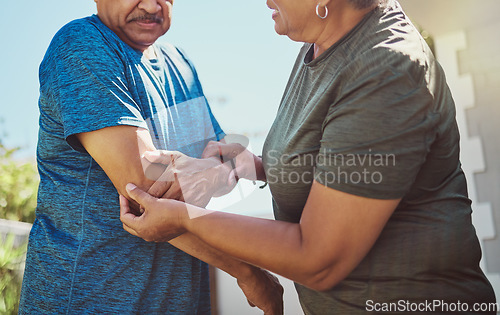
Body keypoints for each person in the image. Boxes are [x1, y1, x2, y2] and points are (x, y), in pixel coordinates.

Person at [119, 0, 498, 314]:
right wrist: (250, 164)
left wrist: (186, 220)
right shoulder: (319, 45)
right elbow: (338, 163)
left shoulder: (386, 69)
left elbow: (321, 260)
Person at [19, 0, 284, 313]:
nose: (150, 4)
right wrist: (248, 272)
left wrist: (228, 168)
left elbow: (225, 154)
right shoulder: (81, 45)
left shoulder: (179, 63)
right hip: (89, 301)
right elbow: (146, 187)